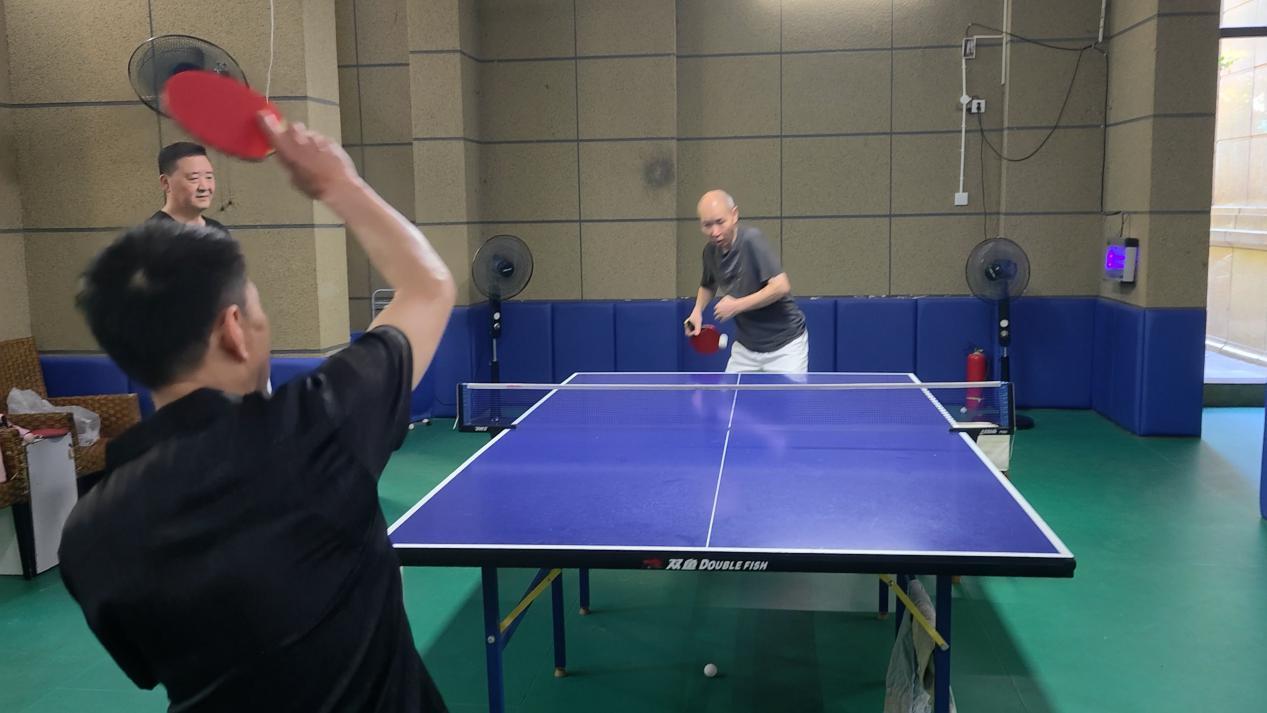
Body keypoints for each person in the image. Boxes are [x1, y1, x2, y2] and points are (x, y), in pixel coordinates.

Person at [58, 115, 456, 712]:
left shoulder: (87, 537)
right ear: (234, 330)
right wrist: (338, 183)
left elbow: (152, 666)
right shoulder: (317, 426)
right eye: (256, 307)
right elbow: (427, 286)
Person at [685, 189, 808, 372]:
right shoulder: (710, 252)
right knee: (731, 391)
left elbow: (781, 286)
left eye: (720, 222)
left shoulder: (752, 240)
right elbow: (708, 285)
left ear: (734, 215)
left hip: (785, 346)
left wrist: (736, 306)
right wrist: (697, 311)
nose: (715, 232)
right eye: (707, 225)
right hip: (746, 349)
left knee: (788, 393)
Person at [152, 141, 227, 231]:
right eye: (193, 178)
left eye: (208, 177)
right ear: (166, 183)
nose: (204, 187)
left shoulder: (217, 230)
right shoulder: (152, 234)